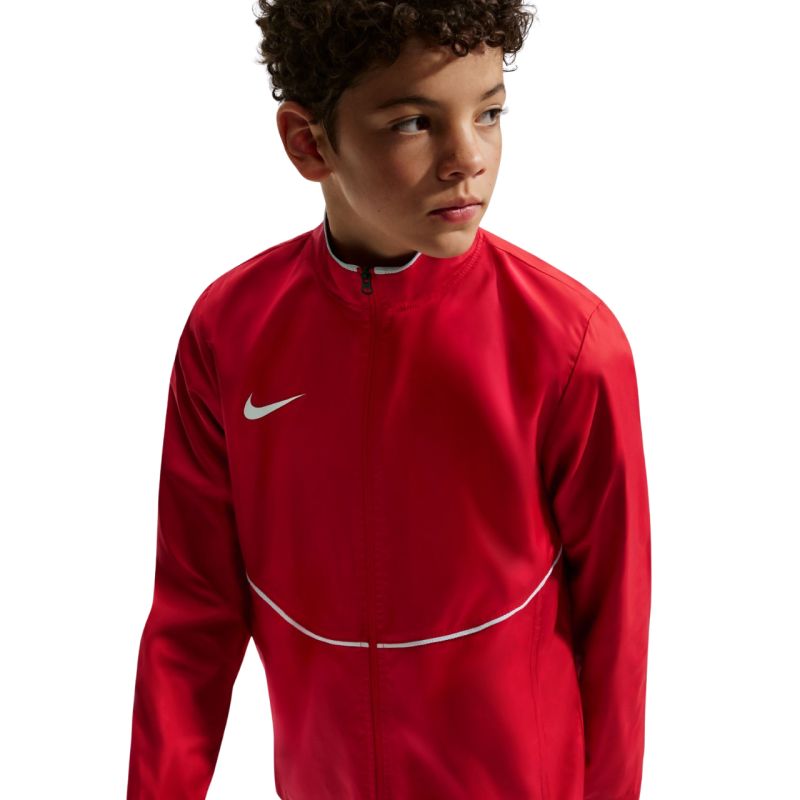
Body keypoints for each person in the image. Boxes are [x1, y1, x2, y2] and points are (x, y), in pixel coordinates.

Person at [126, 2, 652, 798]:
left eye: (489, 113)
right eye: (414, 123)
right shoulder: (228, 333)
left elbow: (618, 633)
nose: (467, 158)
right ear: (309, 144)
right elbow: (193, 616)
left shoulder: (570, 345)